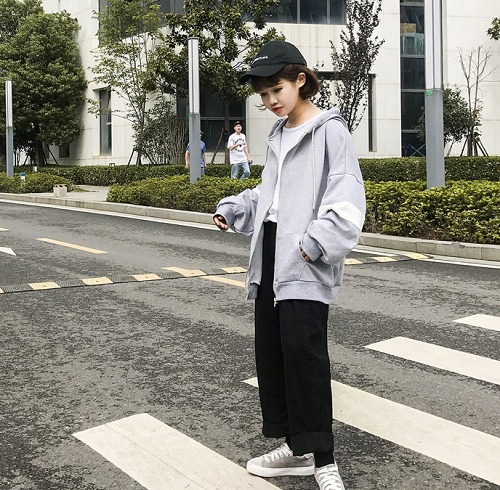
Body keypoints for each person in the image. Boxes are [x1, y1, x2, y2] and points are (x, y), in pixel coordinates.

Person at [213, 40, 366, 490]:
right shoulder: (279, 134)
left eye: (276, 90)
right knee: (274, 355)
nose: (270, 101)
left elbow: (347, 195)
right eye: (263, 95)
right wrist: (235, 208)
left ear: (301, 80)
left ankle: (324, 460)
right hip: (270, 254)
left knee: (305, 357)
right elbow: (270, 196)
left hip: (303, 256)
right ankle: (295, 449)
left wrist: (314, 244)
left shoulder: (330, 132)